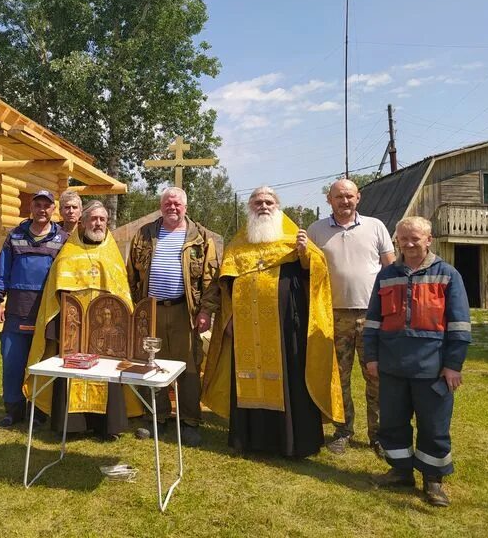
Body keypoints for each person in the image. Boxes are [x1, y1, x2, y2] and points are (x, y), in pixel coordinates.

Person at [202, 186, 344, 457]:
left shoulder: (293, 236)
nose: (263, 206)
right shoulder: (239, 243)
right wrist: (228, 318)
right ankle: (249, 440)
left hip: (287, 324)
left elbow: (317, 273)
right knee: (247, 378)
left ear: (277, 206)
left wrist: (305, 254)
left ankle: (292, 442)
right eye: (258, 202)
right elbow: (225, 284)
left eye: (269, 202)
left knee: (290, 378)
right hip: (246, 327)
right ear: (250, 208)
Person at [364, 216, 471, 507]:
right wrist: (371, 357)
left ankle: (433, 480)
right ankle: (400, 472)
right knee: (393, 422)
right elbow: (373, 321)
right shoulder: (386, 275)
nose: (409, 244)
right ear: (397, 241)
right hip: (392, 366)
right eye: (403, 238)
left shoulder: (448, 274)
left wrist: (453, 365)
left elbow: (460, 325)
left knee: (434, 425)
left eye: (415, 238)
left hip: (433, 369)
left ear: (428, 240)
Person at [25, 201, 143, 439]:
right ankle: (72, 426)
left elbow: (122, 293)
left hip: (106, 327)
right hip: (74, 327)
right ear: (83, 222)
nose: (97, 223)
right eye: (93, 219)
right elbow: (55, 291)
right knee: (71, 370)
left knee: (107, 370)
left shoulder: (112, 254)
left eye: (102, 219)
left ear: (107, 222)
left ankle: (106, 426)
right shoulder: (69, 251)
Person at [301, 179, 395, 456]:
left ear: (358, 198)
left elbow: (390, 268)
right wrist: (302, 251)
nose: (345, 201)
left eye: (349, 196)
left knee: (376, 376)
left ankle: (379, 436)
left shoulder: (375, 226)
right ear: (329, 199)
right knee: (338, 378)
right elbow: (307, 269)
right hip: (332, 316)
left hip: (372, 316)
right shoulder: (316, 230)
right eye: (339, 196)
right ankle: (343, 431)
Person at [126, 186, 219, 447]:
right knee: (151, 363)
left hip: (184, 312)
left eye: (177, 203)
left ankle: (189, 421)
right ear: (161, 206)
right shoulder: (144, 234)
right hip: (151, 311)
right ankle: (156, 417)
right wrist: (135, 308)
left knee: (188, 366)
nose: (172, 207)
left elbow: (210, 279)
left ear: (185, 207)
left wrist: (205, 311)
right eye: (168, 203)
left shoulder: (200, 237)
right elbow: (131, 273)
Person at [0, 190, 69, 427]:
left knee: (43, 363)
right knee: (12, 362)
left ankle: (39, 410)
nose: (42, 209)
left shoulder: (63, 239)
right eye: (38, 205)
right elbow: (2, 270)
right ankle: (13, 410)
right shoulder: (15, 236)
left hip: (47, 312)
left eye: (47, 205)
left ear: (53, 209)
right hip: (17, 311)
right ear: (31, 208)